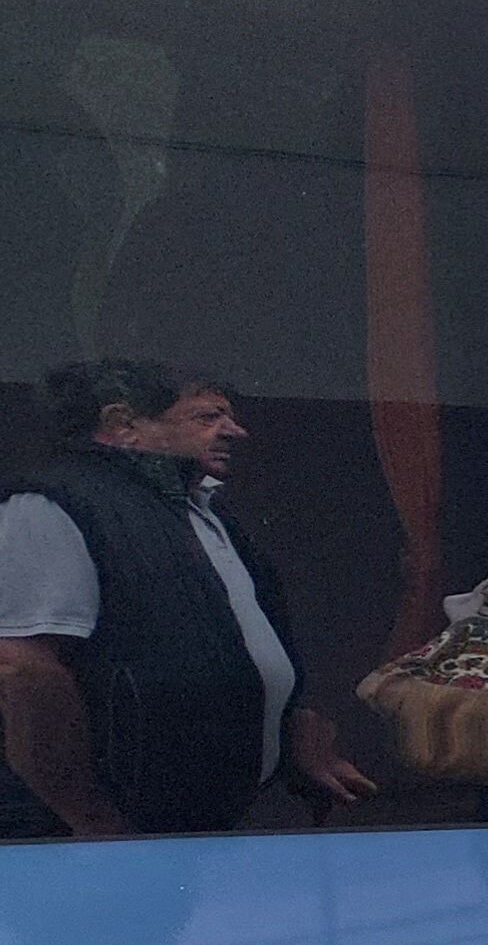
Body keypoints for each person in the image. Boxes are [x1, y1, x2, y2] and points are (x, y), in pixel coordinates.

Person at [0, 356, 369, 840]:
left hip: (177, 830)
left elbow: (213, 653)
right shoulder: (53, 506)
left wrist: (286, 727)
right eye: (207, 416)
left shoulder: (196, 511)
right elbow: (22, 670)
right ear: (122, 425)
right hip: (87, 839)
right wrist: (93, 820)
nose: (234, 431)